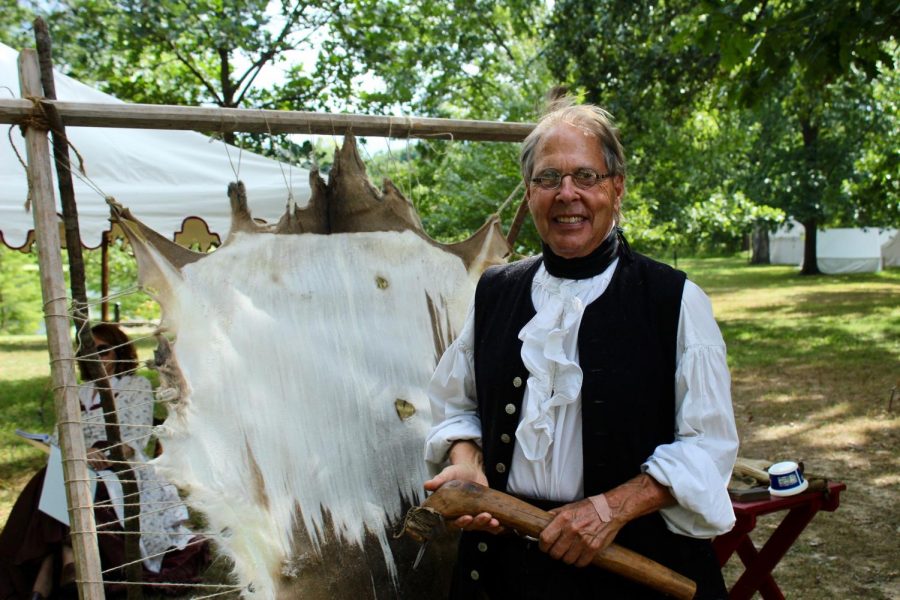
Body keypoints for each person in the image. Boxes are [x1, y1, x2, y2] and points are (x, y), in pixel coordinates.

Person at [424, 98, 739, 599]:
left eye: (585, 176)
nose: (566, 194)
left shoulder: (673, 299)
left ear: (616, 189)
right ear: (529, 194)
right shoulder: (496, 291)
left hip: (627, 570)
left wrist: (608, 510)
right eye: (548, 178)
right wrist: (468, 464)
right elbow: (457, 405)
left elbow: (708, 445)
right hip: (505, 570)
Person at [0, 323, 208, 600]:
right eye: (88, 352)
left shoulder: (136, 386)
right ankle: (63, 565)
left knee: (72, 481)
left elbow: (135, 437)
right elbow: (59, 436)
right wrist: (83, 452)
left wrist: (104, 453)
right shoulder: (77, 392)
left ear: (118, 352)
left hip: (122, 464)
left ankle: (51, 574)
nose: (96, 358)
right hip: (78, 461)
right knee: (56, 476)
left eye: (103, 351)